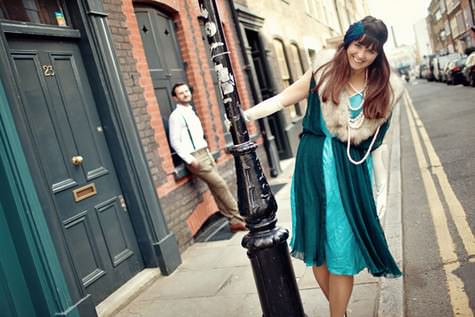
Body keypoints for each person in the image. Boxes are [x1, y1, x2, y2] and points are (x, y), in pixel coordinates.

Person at [243, 16, 403, 317]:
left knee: (341, 249)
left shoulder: (383, 89)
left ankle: (336, 314)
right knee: (317, 253)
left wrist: (381, 188)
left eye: (371, 50)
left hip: (351, 174)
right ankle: (340, 311)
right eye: (358, 45)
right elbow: (282, 99)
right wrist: (244, 115)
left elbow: (374, 148)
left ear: (378, 53)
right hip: (312, 167)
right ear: (347, 43)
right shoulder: (324, 72)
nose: (362, 55)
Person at [168, 82, 247, 232]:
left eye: (186, 91)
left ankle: (234, 222)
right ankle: (240, 216)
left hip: (205, 153)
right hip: (195, 157)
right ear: (175, 98)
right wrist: (190, 160)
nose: (185, 94)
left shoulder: (191, 111)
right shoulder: (176, 116)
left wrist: (208, 153)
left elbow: (198, 137)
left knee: (216, 187)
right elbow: (175, 141)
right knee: (221, 185)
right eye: (181, 93)